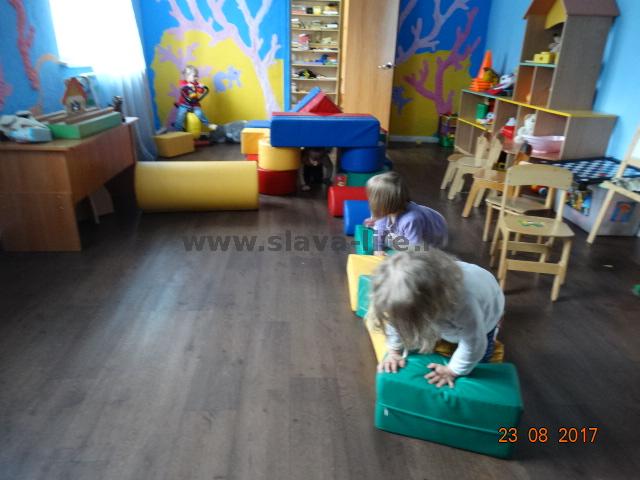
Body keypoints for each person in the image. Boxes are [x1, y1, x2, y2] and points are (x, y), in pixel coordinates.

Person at [367, 250, 505, 388]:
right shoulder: (413, 299)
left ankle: (495, 329)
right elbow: (397, 322)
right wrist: (394, 351)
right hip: (449, 301)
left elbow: (474, 343)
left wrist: (453, 371)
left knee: (480, 357)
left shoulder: (464, 304)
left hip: (488, 306)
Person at [365, 172, 447, 254]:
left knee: (397, 245)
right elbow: (379, 231)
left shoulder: (410, 220)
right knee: (379, 235)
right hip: (424, 220)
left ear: (384, 203)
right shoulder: (383, 211)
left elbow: (414, 250)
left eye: (372, 199)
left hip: (434, 237)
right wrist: (378, 250)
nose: (370, 202)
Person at [174, 65, 215, 134]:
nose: (196, 78)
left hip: (194, 104)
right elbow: (181, 87)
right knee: (180, 117)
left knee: (200, 113)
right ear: (187, 76)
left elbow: (201, 91)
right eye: (194, 76)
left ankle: (209, 125)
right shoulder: (183, 82)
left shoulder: (196, 83)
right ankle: (178, 132)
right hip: (184, 104)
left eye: (197, 76)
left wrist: (201, 87)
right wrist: (187, 85)